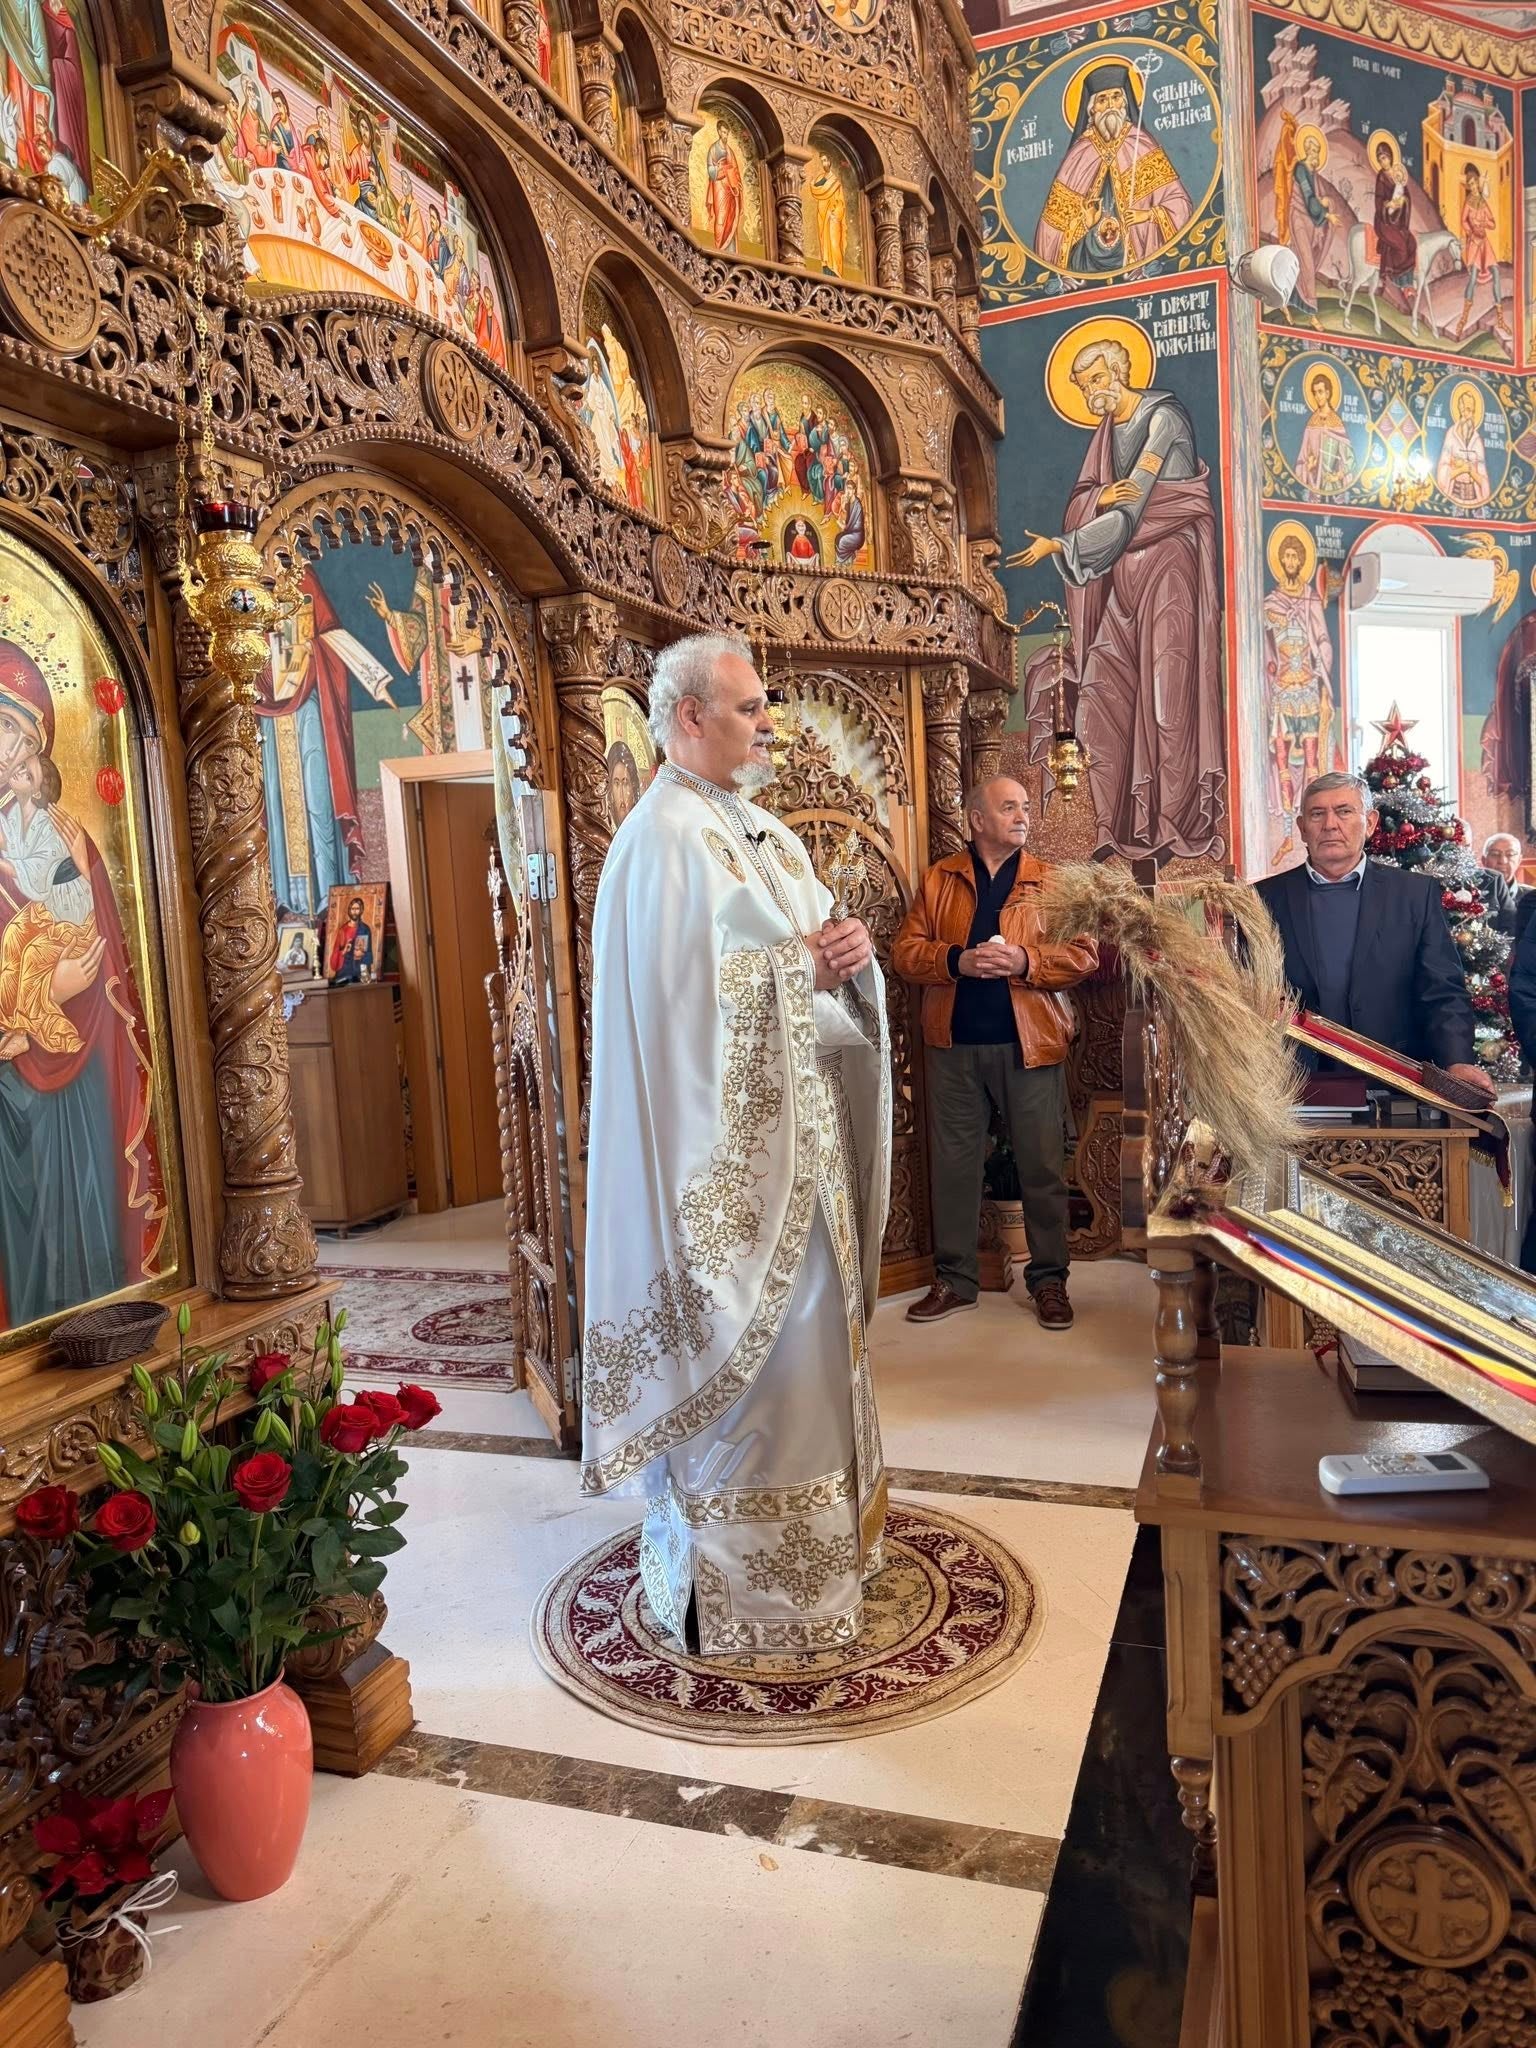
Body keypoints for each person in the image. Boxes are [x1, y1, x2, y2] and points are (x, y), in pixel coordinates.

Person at [580, 632, 891, 1654]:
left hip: (804, 1161)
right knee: (757, 1371)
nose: (768, 723)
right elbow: (676, 1015)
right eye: (751, 707)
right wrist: (798, 967)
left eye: (764, 705)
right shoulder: (661, 839)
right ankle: (739, 1597)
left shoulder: (764, 831)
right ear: (689, 717)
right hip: (728, 1175)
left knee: (815, 1362)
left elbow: (818, 959)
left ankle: (824, 1566)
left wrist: (849, 956)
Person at [892, 776, 1097, 1330]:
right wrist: (955, 961)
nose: (1022, 816)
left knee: (1041, 1168)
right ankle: (955, 1280)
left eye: (1025, 807)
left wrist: (1025, 961)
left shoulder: (1051, 881)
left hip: (1029, 1045)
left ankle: (1049, 1282)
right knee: (953, 1168)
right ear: (977, 819)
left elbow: (1083, 954)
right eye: (1009, 808)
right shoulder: (940, 879)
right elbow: (906, 953)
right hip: (952, 1046)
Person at [1014, 335, 1225, 862]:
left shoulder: (1164, 418)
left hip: (1170, 570)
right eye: (1082, 386)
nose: (1089, 394)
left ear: (1117, 372)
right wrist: (1100, 499)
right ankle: (1110, 827)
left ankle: (1170, 824)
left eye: (1093, 381)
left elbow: (1135, 504)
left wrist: (1061, 545)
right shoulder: (1105, 434)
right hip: (1123, 577)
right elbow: (1094, 497)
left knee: (1167, 700)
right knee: (1100, 695)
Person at [1255, 771, 1493, 1096]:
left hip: (1395, 1083)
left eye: (1344, 811)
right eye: (1317, 814)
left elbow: (1441, 990)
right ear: (1302, 828)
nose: (1330, 824)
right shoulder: (1263, 898)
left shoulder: (1414, 895)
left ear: (1369, 823)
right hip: (1294, 1088)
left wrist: (1456, 1060)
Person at [1034, 63, 1192, 273]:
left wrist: (1147, 215)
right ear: (1092, 109)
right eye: (1102, 99)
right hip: (1085, 262)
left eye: (1116, 97)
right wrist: (1083, 223)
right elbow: (1050, 232)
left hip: (1137, 254)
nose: (1110, 105)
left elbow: (1180, 204)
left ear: (1124, 102)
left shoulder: (1141, 144)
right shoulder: (1079, 154)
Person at [1478, 831, 1524, 936]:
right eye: (1495, 854)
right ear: (1484, 860)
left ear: (1519, 860)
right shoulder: (1473, 898)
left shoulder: (1531, 897)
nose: (1502, 861)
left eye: (1510, 854)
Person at [328, 894, 374, 984]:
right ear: (349, 910)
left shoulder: (365, 929)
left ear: (361, 910)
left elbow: (369, 952)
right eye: (352, 909)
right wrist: (344, 951)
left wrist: (362, 954)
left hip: (359, 970)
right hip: (344, 970)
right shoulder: (343, 930)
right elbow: (335, 954)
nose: (354, 911)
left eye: (357, 909)